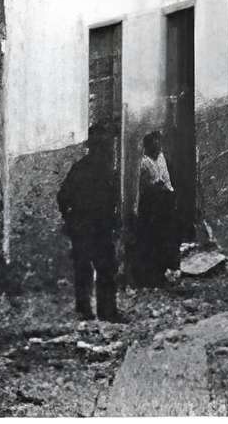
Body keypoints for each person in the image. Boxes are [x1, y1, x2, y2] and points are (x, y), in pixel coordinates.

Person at [57, 123, 122, 322]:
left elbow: (63, 197)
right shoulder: (90, 169)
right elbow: (63, 197)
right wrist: (72, 219)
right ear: (97, 147)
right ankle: (97, 310)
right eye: (104, 146)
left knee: (99, 269)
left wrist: (70, 219)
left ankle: (96, 310)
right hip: (88, 226)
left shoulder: (98, 170)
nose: (108, 149)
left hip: (94, 226)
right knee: (94, 268)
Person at [131, 129, 179, 290]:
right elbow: (145, 186)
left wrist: (170, 194)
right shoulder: (144, 162)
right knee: (152, 239)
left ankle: (165, 271)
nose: (157, 146)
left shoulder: (162, 158)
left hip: (165, 202)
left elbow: (166, 180)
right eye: (154, 143)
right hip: (151, 205)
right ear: (147, 146)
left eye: (159, 142)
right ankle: (151, 276)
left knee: (166, 238)